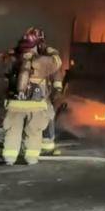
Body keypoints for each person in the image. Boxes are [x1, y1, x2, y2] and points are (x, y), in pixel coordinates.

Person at [1, 32, 62, 165]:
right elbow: (57, 61)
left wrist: (15, 51)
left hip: (14, 103)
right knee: (34, 131)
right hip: (35, 104)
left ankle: (9, 158)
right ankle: (31, 158)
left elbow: (1, 59)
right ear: (37, 45)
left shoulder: (13, 59)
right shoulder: (43, 61)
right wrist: (48, 49)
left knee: (12, 131)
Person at [24, 27, 64, 155]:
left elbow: (56, 73)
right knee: (34, 117)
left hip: (40, 92)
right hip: (32, 92)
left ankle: (46, 144)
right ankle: (32, 144)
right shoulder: (31, 55)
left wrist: (57, 89)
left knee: (47, 115)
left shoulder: (40, 56)